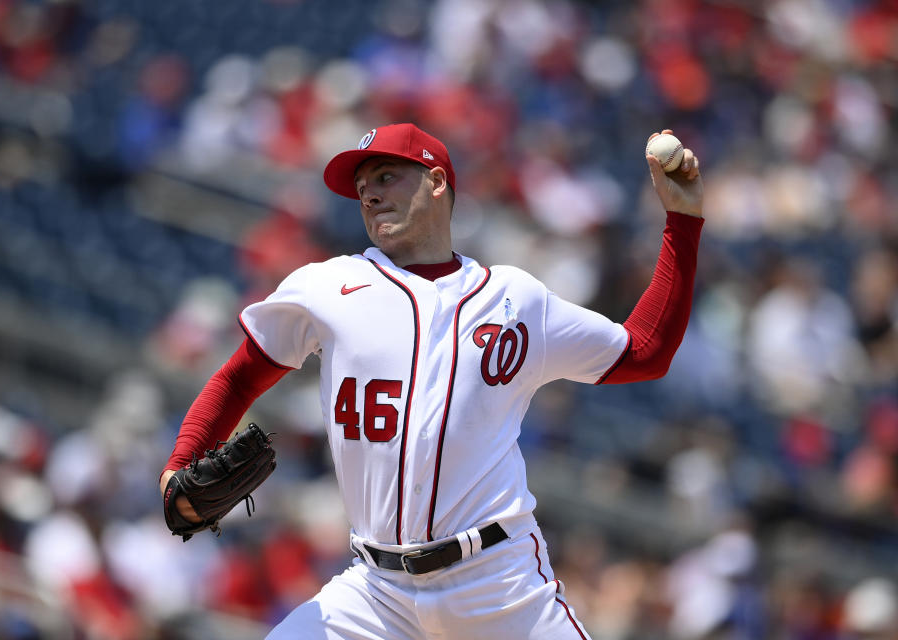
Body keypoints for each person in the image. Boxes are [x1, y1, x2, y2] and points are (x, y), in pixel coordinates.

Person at [160, 123, 704, 639]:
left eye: (386, 177)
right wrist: (178, 465)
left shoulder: (517, 299)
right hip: (376, 591)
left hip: (498, 583)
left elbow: (645, 352)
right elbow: (239, 378)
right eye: (362, 186)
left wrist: (682, 222)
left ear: (438, 181)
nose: (369, 195)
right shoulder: (327, 286)